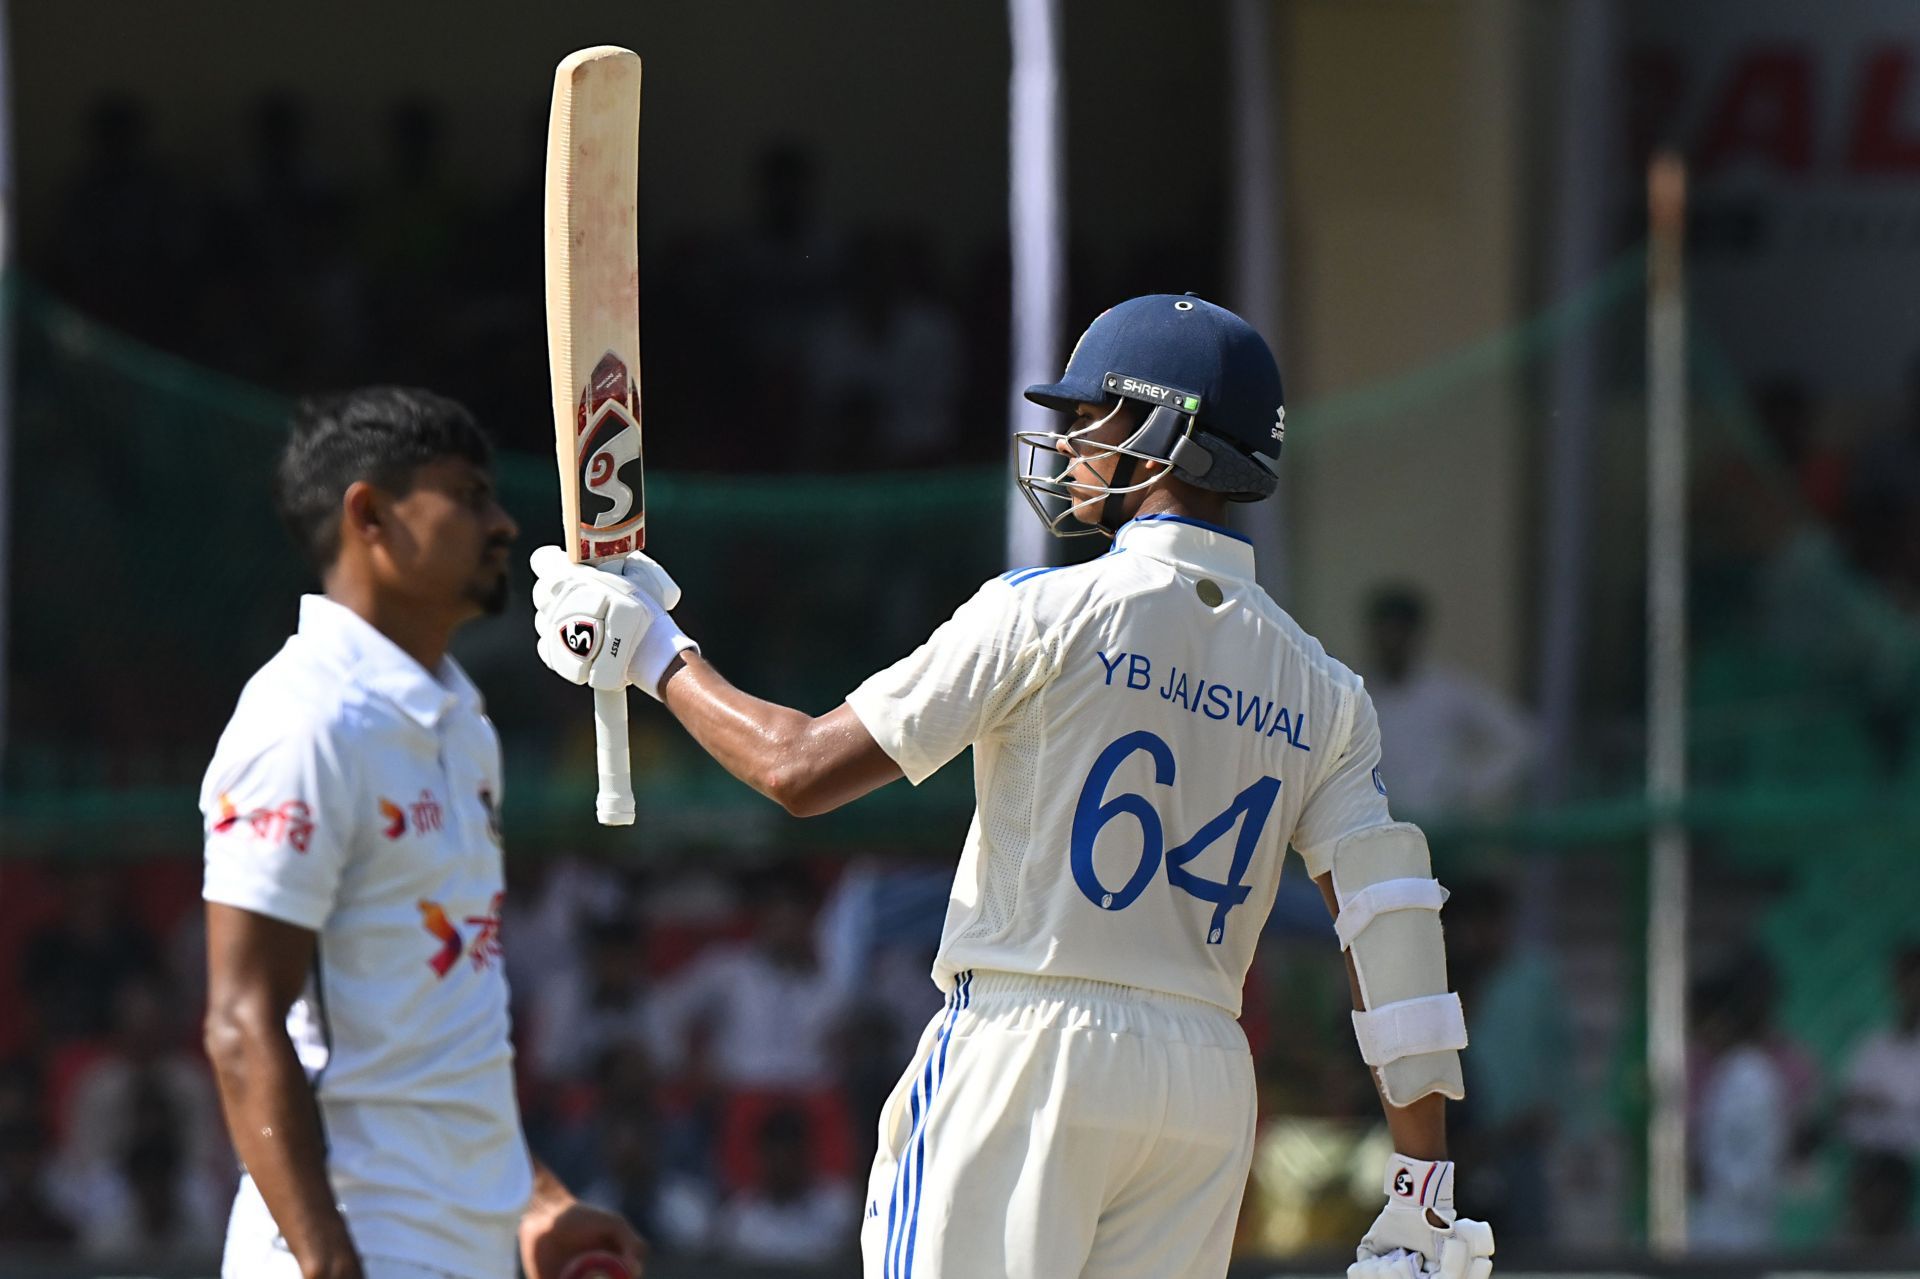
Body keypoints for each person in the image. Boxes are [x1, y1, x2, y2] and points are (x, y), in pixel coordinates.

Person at [529, 295, 1496, 1279]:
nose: (1071, 437)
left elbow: (798, 768)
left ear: (1162, 433)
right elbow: (1393, 926)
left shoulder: (1046, 613)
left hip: (1028, 1048)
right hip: (1204, 1083)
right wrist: (1422, 1190)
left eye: (1092, 415)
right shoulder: (1326, 690)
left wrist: (649, 652)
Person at [199, 388, 643, 1279]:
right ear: (370, 514)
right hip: (358, 1241)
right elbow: (241, 1021)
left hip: (467, 1244)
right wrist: (328, 1261)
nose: (505, 523)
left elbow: (448, 1029)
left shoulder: (464, 724)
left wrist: (538, 1196)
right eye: (469, 495)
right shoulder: (304, 718)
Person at [1362, 586, 1533, 821]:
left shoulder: (1448, 690)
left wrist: (1470, 788)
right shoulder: (1358, 695)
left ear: (1414, 636)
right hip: (1379, 831)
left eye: (1398, 632)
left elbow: (1521, 739)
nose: (1391, 642)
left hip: (1443, 830)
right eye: (1384, 632)